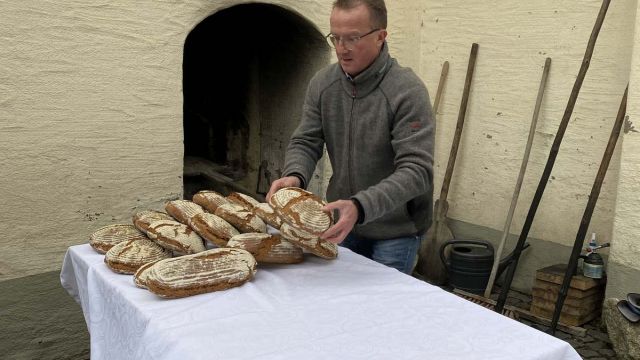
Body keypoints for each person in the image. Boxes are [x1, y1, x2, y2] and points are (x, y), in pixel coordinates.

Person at [267, 0, 434, 274]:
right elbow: (306, 141)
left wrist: (360, 205)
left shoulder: (407, 91)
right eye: (336, 37)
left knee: (383, 309)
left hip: (396, 230)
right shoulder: (323, 84)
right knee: (341, 303)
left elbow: (417, 172)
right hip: (342, 220)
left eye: (353, 38)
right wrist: (295, 175)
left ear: (381, 36)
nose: (342, 48)